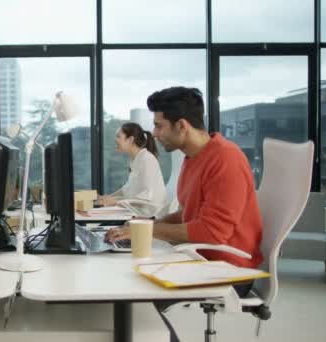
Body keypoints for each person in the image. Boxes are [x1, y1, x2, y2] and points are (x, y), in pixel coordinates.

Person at [105, 87, 264, 342]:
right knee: (127, 281)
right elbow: (185, 213)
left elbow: (213, 232)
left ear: (181, 125)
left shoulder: (226, 160)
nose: (154, 134)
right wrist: (143, 224)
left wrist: (147, 230)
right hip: (200, 258)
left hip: (228, 268)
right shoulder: (192, 158)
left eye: (158, 126)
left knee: (136, 301)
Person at [98, 122, 166, 218]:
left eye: (118, 136)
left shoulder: (147, 159)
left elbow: (148, 195)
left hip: (148, 216)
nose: (115, 140)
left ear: (130, 139)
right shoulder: (135, 160)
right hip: (136, 212)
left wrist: (116, 201)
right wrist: (108, 197)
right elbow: (127, 189)